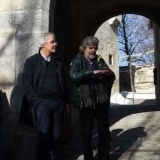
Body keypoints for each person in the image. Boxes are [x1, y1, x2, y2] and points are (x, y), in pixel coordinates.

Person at [23, 32, 68, 160]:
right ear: (43, 43)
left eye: (55, 42)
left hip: (58, 104)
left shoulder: (58, 62)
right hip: (42, 104)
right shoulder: (32, 61)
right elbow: (27, 83)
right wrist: (35, 101)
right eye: (52, 42)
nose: (55, 44)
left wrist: (66, 103)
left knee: (56, 136)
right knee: (43, 136)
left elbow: (64, 83)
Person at [69, 36, 115, 160]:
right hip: (85, 102)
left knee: (104, 132)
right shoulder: (77, 60)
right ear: (84, 48)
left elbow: (112, 75)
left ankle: (103, 157)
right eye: (91, 48)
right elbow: (73, 76)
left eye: (95, 48)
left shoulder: (100, 60)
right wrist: (92, 73)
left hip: (100, 101)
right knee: (86, 133)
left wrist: (105, 75)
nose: (93, 50)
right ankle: (88, 157)